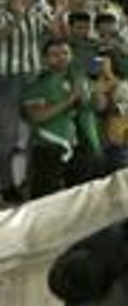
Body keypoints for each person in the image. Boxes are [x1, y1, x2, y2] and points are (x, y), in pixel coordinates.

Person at [22, 36, 100, 197]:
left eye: (65, 53)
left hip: (82, 144)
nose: (61, 57)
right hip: (49, 148)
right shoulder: (37, 84)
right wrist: (71, 98)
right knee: (45, 200)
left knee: (80, 197)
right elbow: (37, 116)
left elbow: (97, 107)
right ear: (44, 59)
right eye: (55, 54)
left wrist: (98, 94)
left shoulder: (80, 78)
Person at [1, 0, 54, 204]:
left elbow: (55, 34)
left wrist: (57, 13)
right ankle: (5, 185)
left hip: (34, 76)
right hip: (7, 78)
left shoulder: (37, 10)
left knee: (37, 132)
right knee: (7, 135)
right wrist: (17, 16)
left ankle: (32, 181)